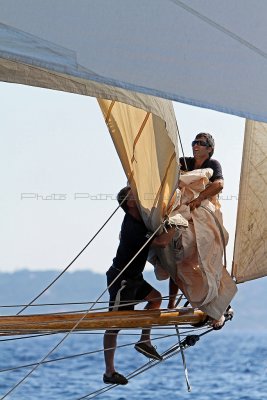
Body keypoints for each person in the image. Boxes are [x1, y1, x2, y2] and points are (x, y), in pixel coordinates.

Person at [103, 186, 176, 385]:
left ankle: (144, 340)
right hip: (122, 279)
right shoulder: (133, 227)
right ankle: (109, 372)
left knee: (155, 299)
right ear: (130, 203)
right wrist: (177, 226)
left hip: (134, 277)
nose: (139, 194)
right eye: (134, 194)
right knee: (114, 325)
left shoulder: (141, 221)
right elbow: (161, 242)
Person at [180, 132, 224, 211]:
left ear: (209, 149)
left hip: (202, 204)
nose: (195, 145)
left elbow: (219, 184)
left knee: (207, 172)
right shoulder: (183, 162)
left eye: (200, 143)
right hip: (183, 200)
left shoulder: (213, 164)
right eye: (194, 143)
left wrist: (200, 198)